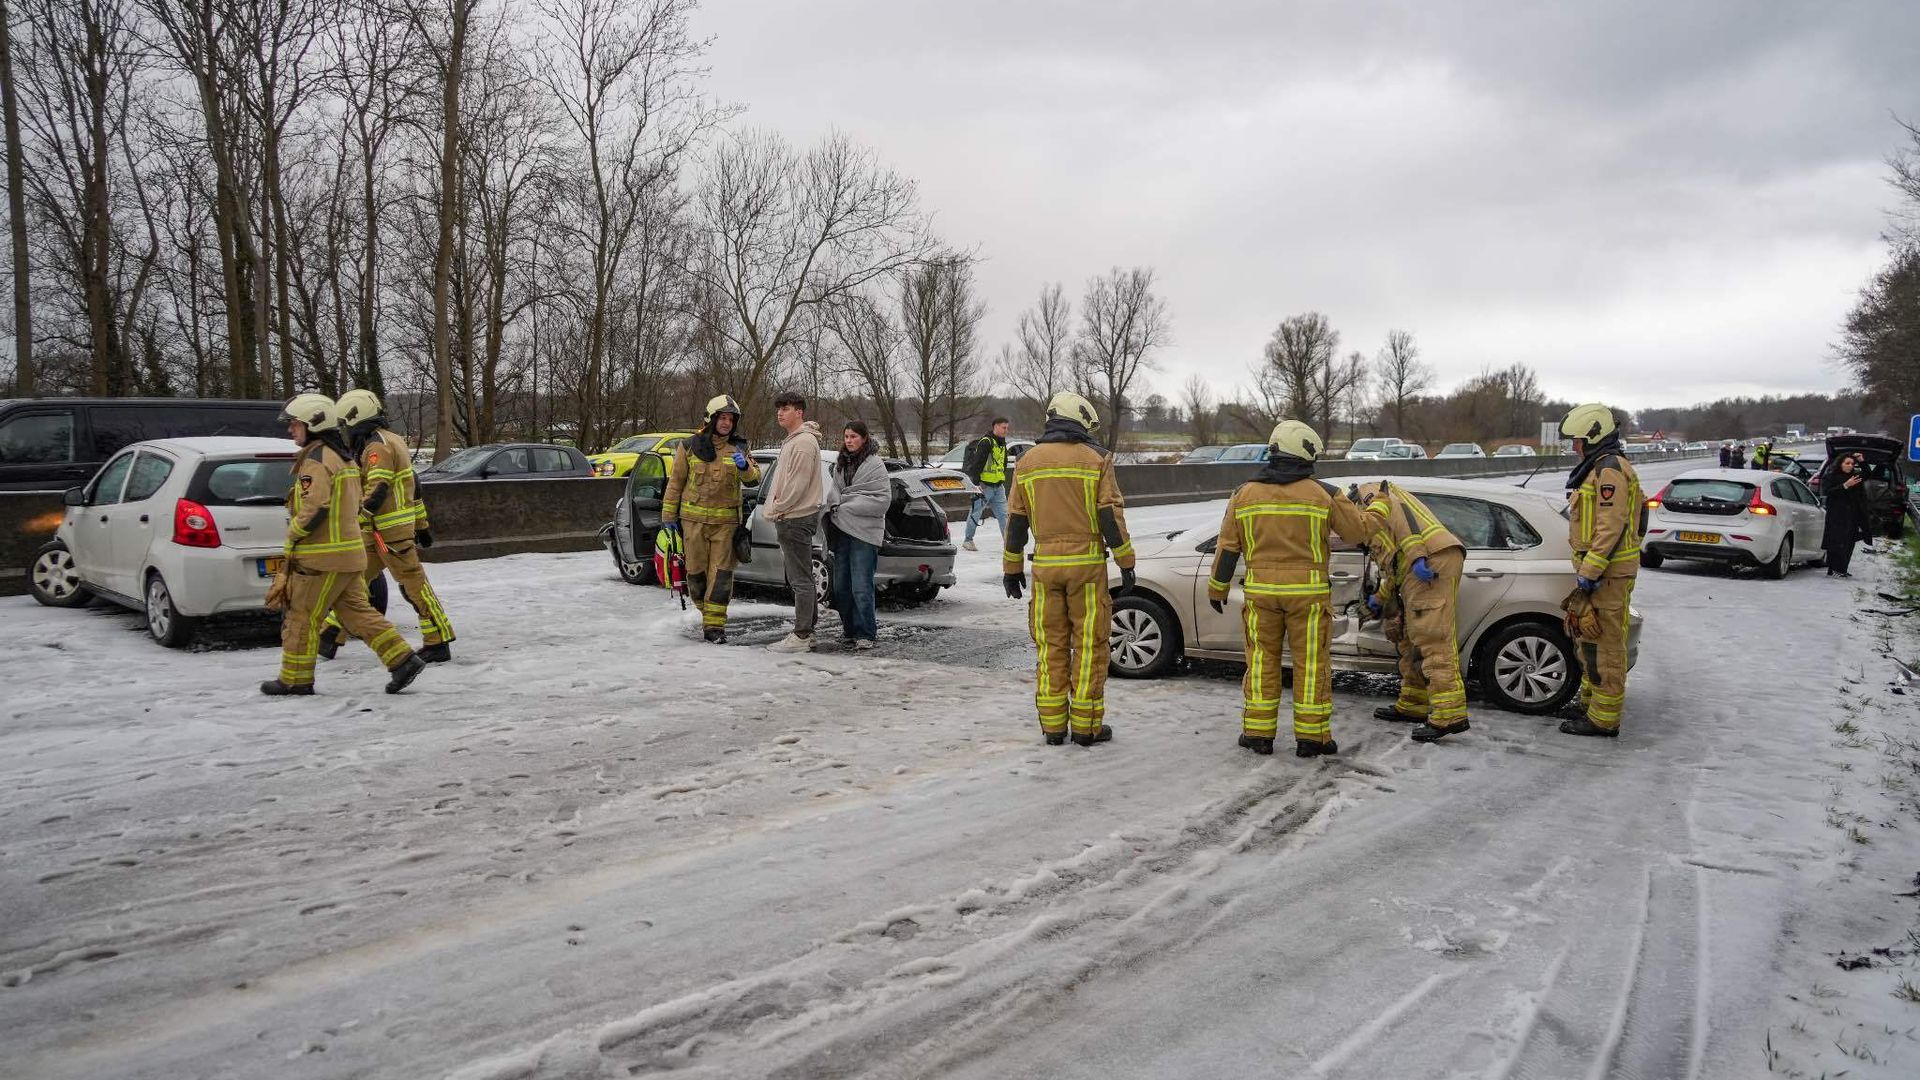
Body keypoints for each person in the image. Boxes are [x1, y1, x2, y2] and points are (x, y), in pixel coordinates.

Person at [1206, 421, 1379, 758]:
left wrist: (1218, 588)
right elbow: (1357, 534)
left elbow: (1228, 547)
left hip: (1261, 597)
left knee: (1261, 662)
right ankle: (1312, 738)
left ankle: (1258, 734)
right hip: (1309, 598)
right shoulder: (1325, 494)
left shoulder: (1244, 493)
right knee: (1311, 665)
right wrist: (1378, 508)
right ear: (1304, 453)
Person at [262, 393, 425, 697]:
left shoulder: (317, 460)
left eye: (295, 424)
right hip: (349, 556)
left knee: (302, 616)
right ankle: (402, 659)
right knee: (358, 614)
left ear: (312, 424)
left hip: (321, 560)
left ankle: (295, 679)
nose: (290, 430)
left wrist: (293, 534)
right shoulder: (343, 458)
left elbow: (316, 507)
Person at [1003, 391, 1135, 747]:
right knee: (1090, 646)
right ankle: (1087, 726)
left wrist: (1011, 568)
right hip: (1087, 569)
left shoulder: (1027, 462)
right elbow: (1110, 516)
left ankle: (1053, 727)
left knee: (1051, 646)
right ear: (1079, 421)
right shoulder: (1097, 459)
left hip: (1045, 568)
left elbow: (1016, 520)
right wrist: (1126, 562)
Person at [317, 389, 456, 663]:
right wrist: (421, 524)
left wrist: (355, 520)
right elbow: (413, 486)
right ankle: (330, 634)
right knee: (351, 583)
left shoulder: (376, 447)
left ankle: (438, 639)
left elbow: (378, 489)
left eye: (346, 423)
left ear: (356, 418)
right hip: (378, 533)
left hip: (386, 534)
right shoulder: (391, 439)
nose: (345, 430)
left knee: (413, 586)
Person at [1352, 480, 1470, 743]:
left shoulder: (1368, 494)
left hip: (1429, 560)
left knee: (1432, 637)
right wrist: (1379, 599)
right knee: (1410, 636)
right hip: (1421, 563)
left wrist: (1417, 556)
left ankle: (1450, 714)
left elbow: (1399, 514)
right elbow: (1394, 565)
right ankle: (1414, 703)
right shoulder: (1368, 509)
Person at [1558, 403, 1642, 738]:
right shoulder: (1595, 468)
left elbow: (1611, 526)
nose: (1574, 446)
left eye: (1578, 440)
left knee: (1606, 646)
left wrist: (1590, 571)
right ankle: (1589, 706)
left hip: (1608, 574)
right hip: (1597, 572)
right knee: (1589, 642)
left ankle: (1604, 720)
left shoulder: (1610, 470)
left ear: (1594, 436)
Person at [661, 394, 760, 644]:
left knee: (722, 575)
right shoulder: (689, 446)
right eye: (722, 418)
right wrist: (668, 515)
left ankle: (715, 627)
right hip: (692, 523)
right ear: (711, 418)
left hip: (725, 526)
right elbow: (676, 483)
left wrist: (744, 467)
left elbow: (754, 478)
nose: (727, 423)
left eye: (731, 419)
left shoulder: (739, 448)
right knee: (695, 574)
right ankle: (707, 613)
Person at [763, 391, 825, 652]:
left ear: (799, 412)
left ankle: (801, 635)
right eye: (778, 408)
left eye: (786, 408)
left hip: (794, 517)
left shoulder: (802, 443)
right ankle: (806, 632)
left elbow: (796, 486)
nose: (780, 412)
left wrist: (776, 508)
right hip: (794, 516)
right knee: (803, 578)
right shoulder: (795, 441)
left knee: (799, 579)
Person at [825, 421, 889, 648]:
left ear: (864, 438)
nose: (849, 440)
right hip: (842, 530)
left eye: (853, 436)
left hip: (865, 534)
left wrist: (845, 504)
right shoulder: (841, 464)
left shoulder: (875, 465)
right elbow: (834, 493)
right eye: (846, 436)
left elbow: (881, 500)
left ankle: (866, 633)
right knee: (841, 585)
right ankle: (849, 630)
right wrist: (837, 505)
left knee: (861, 586)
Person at [961, 417, 1012, 552]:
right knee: (976, 513)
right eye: (1003, 427)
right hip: (984, 486)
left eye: (1007, 427)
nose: (1006, 430)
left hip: (998, 486)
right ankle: (968, 540)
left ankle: (1008, 542)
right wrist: (976, 484)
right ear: (995, 426)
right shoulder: (986, 442)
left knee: (1004, 515)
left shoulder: (1002, 443)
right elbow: (977, 464)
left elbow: (1003, 463)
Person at [1821, 452, 1871, 578]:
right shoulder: (1831, 476)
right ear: (1840, 464)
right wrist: (1845, 486)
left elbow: (1867, 474)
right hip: (1836, 516)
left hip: (1852, 516)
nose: (1850, 466)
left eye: (1852, 464)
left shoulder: (1855, 477)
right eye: (1847, 463)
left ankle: (1842, 569)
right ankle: (1833, 568)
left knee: (1849, 543)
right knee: (1836, 542)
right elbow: (1828, 492)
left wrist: (1862, 460)